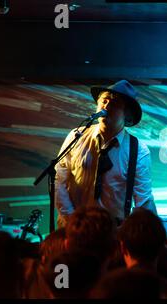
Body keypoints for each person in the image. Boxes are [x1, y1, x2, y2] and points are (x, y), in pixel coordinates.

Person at [55, 80, 156, 227]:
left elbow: (143, 200)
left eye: (114, 103)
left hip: (114, 233)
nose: (106, 106)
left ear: (127, 114)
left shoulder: (139, 150)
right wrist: (71, 219)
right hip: (74, 228)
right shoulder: (76, 137)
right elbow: (59, 180)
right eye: (104, 101)